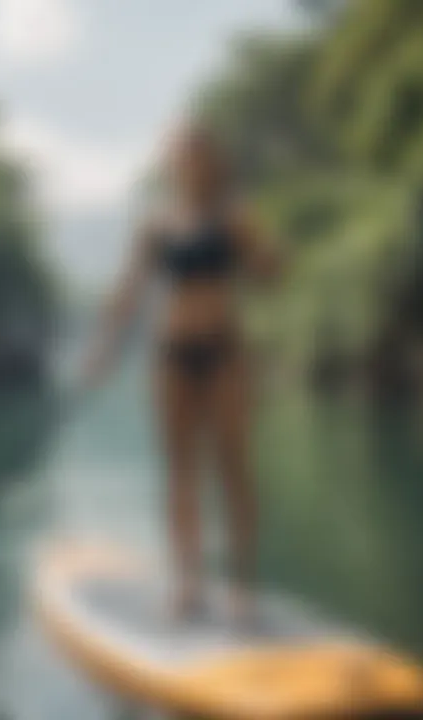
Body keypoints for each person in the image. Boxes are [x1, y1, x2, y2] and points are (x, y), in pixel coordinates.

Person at [81, 122, 282, 622]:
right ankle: (188, 583)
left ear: (212, 159)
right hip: (170, 354)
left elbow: (268, 276)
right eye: (179, 153)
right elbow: (129, 289)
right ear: (170, 162)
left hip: (224, 352)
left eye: (196, 151)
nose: (187, 160)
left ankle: (242, 586)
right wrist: (104, 347)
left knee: (233, 470)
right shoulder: (157, 224)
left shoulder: (233, 215)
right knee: (180, 475)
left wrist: (267, 255)